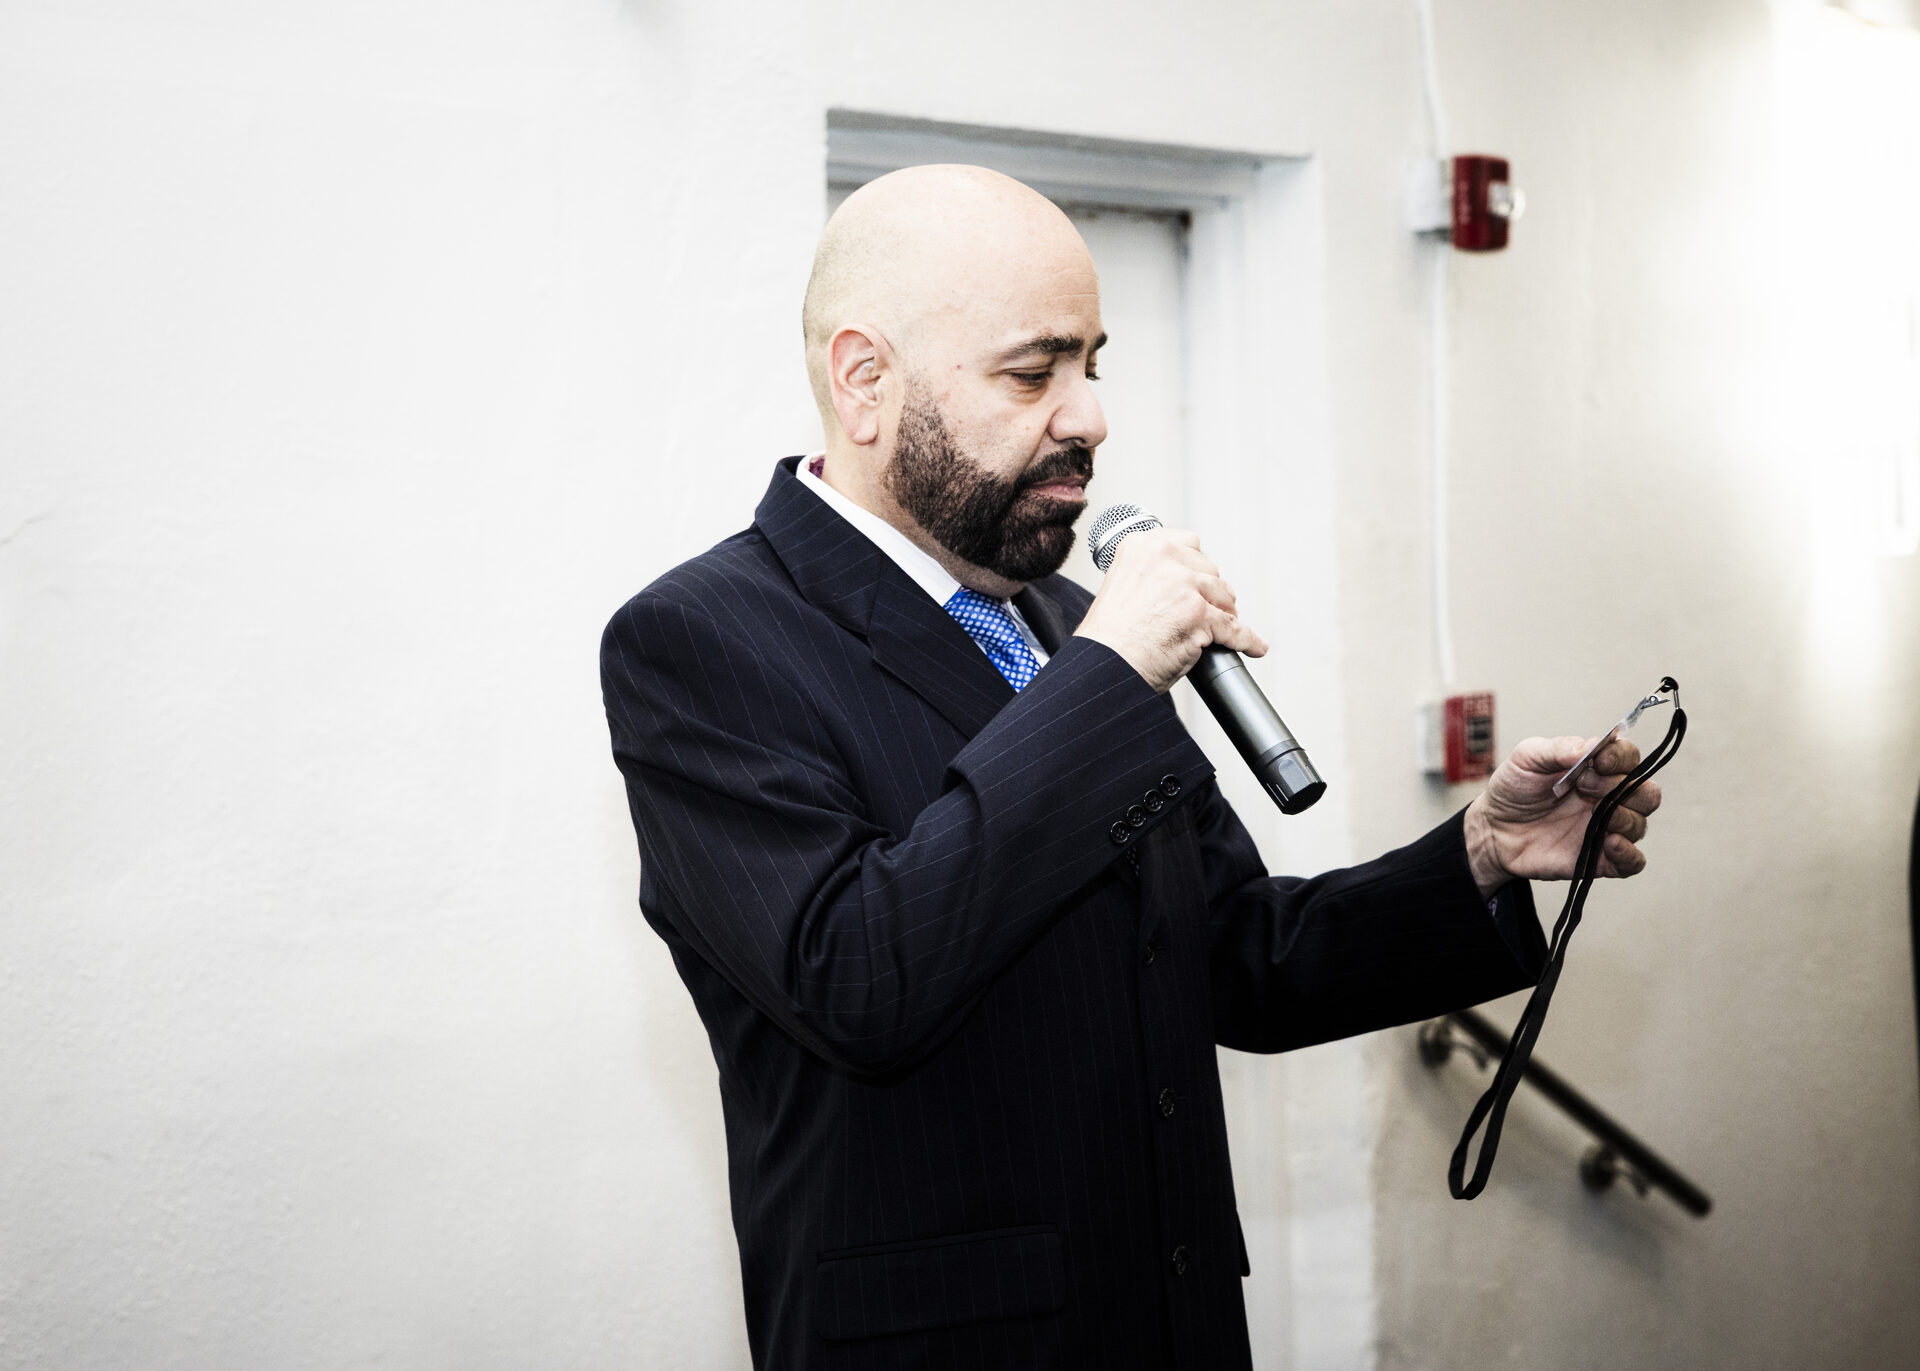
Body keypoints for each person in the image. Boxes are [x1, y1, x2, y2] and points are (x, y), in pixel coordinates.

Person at [600, 164, 1661, 1371]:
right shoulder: (703, 640)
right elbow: (857, 981)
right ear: (865, 381)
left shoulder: (1066, 620)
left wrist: (1481, 857)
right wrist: (1108, 678)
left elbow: (1240, 954)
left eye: (1093, 366)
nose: (1091, 418)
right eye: (1032, 373)